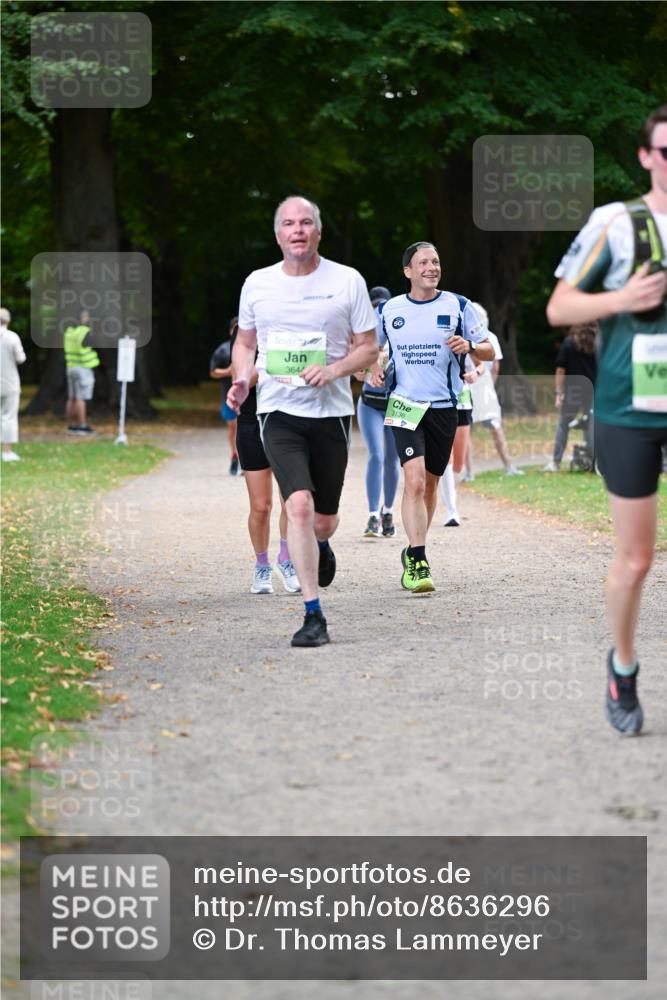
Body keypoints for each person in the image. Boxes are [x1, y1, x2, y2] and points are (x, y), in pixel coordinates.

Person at [546, 103, 667, 735]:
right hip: (630, 409)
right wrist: (623, 298)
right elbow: (559, 307)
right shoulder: (618, 224)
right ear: (647, 157)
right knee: (637, 558)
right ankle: (623, 667)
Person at [227, 195, 378, 646]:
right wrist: (241, 380)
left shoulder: (347, 281)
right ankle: (313, 615)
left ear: (318, 231)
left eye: (306, 222)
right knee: (297, 505)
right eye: (289, 224)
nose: (298, 230)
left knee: (322, 521)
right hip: (277, 411)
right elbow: (245, 343)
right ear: (278, 234)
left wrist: (333, 370)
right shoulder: (258, 283)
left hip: (331, 412)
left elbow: (368, 347)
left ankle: (321, 542)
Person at [379, 241, 495, 593]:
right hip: (403, 403)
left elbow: (490, 349)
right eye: (424, 263)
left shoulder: (458, 305)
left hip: (444, 406)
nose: (432, 267)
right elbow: (370, 349)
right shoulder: (389, 309)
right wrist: (371, 369)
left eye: (436, 261)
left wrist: (470, 346)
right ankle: (418, 559)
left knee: (430, 485)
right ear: (408, 271)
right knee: (413, 481)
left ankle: (414, 547)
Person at [234, 347, 301, 595]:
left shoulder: (292, 331)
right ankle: (262, 565)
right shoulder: (244, 338)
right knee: (261, 506)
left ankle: (286, 559)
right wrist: (275, 362)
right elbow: (241, 379)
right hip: (252, 423)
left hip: (288, 421)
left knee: (292, 502)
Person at [356, 285, 400, 538]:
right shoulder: (363, 339)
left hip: (395, 404)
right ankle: (373, 514)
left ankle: (388, 511)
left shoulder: (399, 336)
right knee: (376, 454)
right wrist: (365, 367)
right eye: (374, 307)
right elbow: (356, 373)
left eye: (381, 307)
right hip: (369, 404)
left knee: (393, 459)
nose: (377, 312)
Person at [461, 302, 523, 480]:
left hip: (466, 382)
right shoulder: (491, 338)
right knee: (495, 426)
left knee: (466, 429)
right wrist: (491, 386)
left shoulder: (464, 338)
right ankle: (509, 466)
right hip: (484, 383)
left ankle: (469, 472)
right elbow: (495, 367)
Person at [543, 322, 597, 472]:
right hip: (594, 390)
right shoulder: (599, 343)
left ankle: (555, 462)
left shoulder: (569, 342)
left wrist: (559, 393)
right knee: (591, 425)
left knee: (563, 425)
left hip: (574, 391)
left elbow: (561, 370)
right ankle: (592, 461)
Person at [439, 353, 484, 526]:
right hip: (440, 399)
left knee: (458, 465)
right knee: (446, 458)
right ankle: (452, 510)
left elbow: (481, 365)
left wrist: (475, 374)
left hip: (462, 401)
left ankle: (448, 490)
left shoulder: (465, 343)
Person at [210, 317, 241, 475]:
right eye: (235, 329)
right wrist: (227, 371)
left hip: (249, 397)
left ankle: (244, 459)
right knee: (233, 426)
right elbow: (213, 371)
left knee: (244, 426)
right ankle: (235, 455)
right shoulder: (222, 350)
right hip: (229, 397)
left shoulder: (254, 348)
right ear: (230, 331)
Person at [64, 308, 99, 435]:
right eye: (86, 316)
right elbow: (94, 345)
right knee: (81, 398)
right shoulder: (84, 331)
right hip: (83, 368)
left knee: (72, 398)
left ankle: (71, 426)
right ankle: (82, 426)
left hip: (71, 367)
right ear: (81, 318)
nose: (88, 319)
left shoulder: (69, 332)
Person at [0, 307, 26, 462]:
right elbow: (20, 358)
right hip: (9, 382)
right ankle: (7, 451)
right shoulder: (12, 337)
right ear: (7, 320)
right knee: (9, 416)